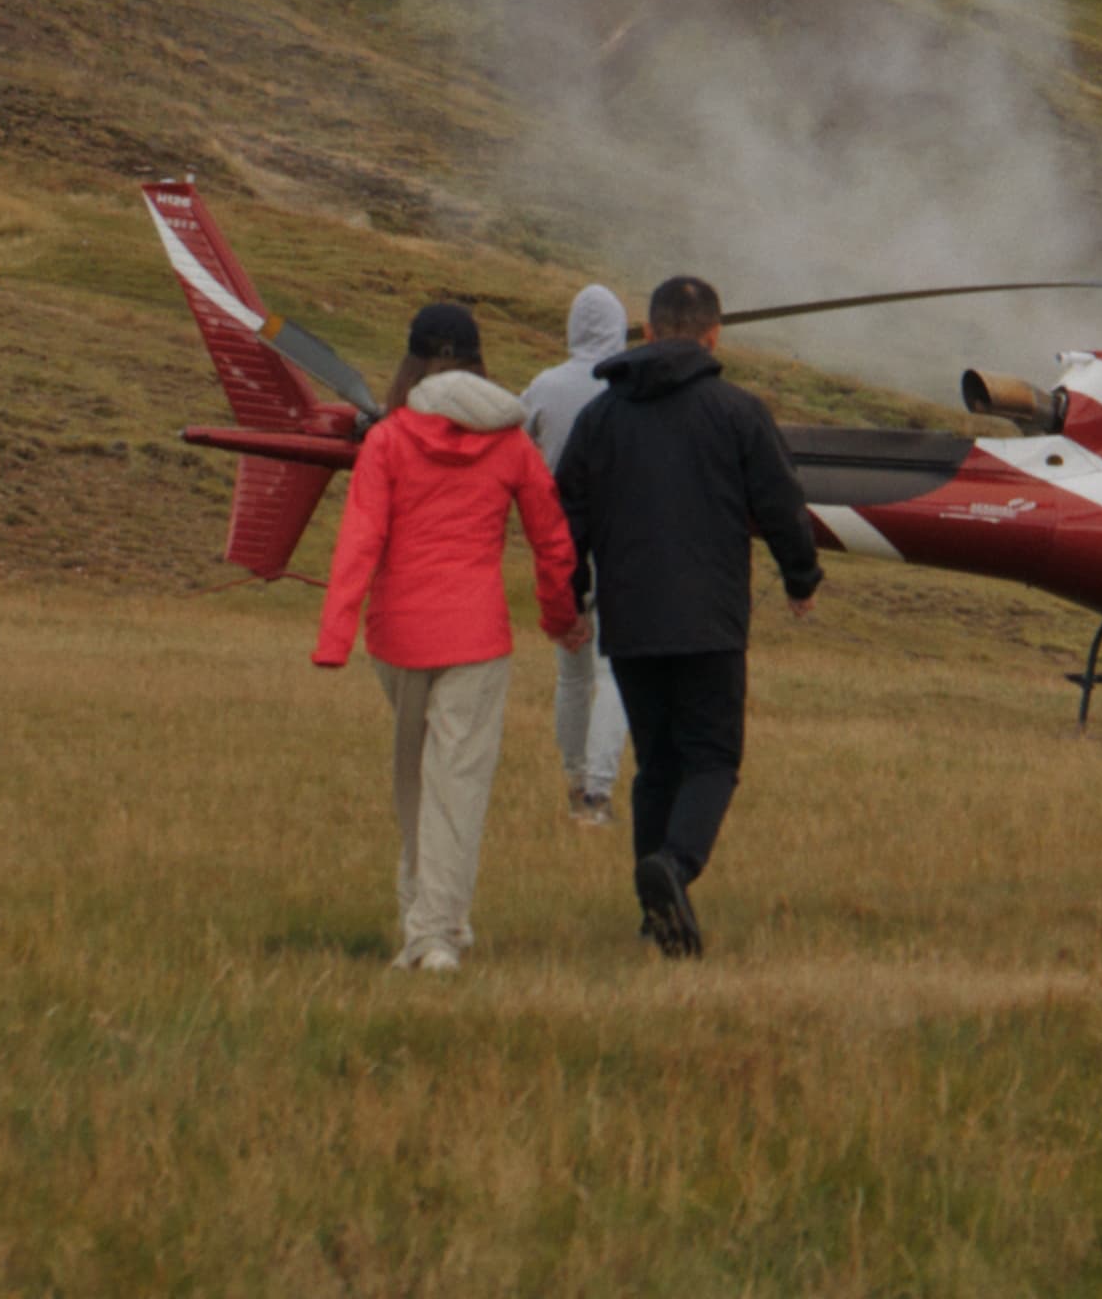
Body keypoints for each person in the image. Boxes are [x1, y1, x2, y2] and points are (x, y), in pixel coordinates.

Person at [551, 274, 824, 959]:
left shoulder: (600, 418)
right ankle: (674, 866)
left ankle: (656, 916)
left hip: (630, 622)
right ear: (714, 337)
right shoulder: (739, 412)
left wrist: (571, 597)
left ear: (647, 332)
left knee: (657, 766)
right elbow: (783, 503)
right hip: (710, 621)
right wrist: (801, 577)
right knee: (713, 758)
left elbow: (565, 518)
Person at [311, 302, 582, 972]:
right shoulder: (511, 442)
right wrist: (559, 618)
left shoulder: (389, 440)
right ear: (479, 361)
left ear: (412, 363)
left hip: (398, 635)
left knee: (414, 779)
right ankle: (436, 930)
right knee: (457, 782)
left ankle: (430, 923)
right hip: (477, 636)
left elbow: (359, 543)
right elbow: (552, 540)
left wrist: (334, 638)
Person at [517, 284, 634, 829]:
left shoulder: (544, 385)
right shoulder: (627, 386)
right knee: (613, 673)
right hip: (620, 543)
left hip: (559, 543)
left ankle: (573, 779)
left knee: (572, 675)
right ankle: (597, 793)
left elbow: (510, 437)